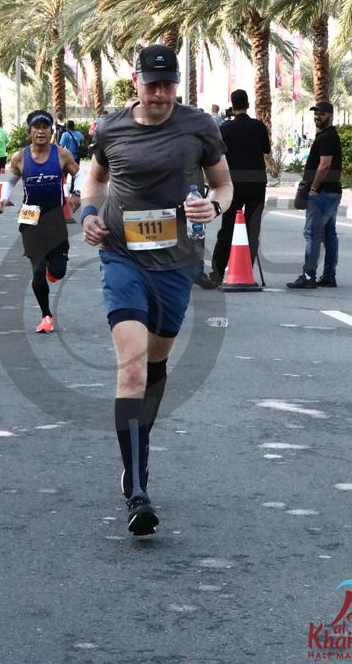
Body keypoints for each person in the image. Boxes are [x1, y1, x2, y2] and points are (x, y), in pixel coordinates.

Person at [81, 44, 233, 536]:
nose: (161, 94)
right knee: (131, 369)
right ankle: (137, 488)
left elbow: (224, 185)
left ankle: (138, 443)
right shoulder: (111, 129)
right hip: (121, 257)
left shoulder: (199, 127)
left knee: (154, 364)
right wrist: (88, 215)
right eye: (152, 85)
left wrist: (215, 206)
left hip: (176, 265)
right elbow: (94, 182)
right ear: (136, 82)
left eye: (169, 85)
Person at [0, 110, 79, 333]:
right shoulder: (20, 157)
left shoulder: (61, 154)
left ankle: (54, 270)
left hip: (55, 216)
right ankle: (46, 316)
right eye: (37, 127)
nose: (41, 132)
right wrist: (3, 198)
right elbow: (11, 181)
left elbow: (78, 174)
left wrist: (77, 193)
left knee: (58, 271)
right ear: (30, 131)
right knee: (38, 268)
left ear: (51, 131)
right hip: (30, 216)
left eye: (45, 127)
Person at [199, 89, 270, 289]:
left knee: (228, 228)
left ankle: (217, 273)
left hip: (235, 183)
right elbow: (266, 148)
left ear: (232, 105)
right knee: (252, 228)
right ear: (248, 104)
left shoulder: (225, 128)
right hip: (257, 183)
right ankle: (246, 269)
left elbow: (218, 153)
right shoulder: (258, 126)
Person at [286, 100, 342, 289]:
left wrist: (314, 188)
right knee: (329, 234)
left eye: (321, 114)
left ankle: (309, 275)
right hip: (331, 191)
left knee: (312, 234)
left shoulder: (327, 137)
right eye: (315, 113)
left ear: (330, 115)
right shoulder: (328, 135)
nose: (317, 117)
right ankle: (329, 275)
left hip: (323, 192)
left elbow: (324, 165)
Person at [59, 120, 83, 194]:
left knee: (64, 174)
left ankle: (63, 189)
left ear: (67, 127)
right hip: (77, 157)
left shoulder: (65, 134)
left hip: (67, 158)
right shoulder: (79, 133)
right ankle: (73, 189)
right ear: (74, 126)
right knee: (75, 174)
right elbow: (82, 140)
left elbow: (61, 146)